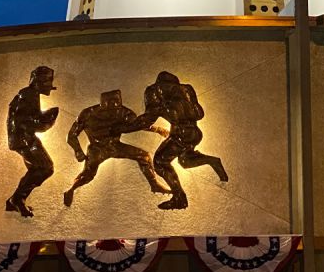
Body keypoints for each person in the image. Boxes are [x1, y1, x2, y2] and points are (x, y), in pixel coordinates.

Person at [134, 71, 228, 210]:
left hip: (180, 133)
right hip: (195, 132)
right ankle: (212, 161)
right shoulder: (186, 91)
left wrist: (130, 125)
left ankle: (180, 198)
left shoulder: (156, 93)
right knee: (185, 161)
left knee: (160, 162)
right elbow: (199, 114)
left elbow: (148, 119)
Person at [63, 90, 172, 207]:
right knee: (88, 174)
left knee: (144, 156)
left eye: (115, 108)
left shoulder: (123, 112)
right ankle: (71, 189)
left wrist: (158, 129)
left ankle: (154, 184)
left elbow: (138, 124)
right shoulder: (88, 114)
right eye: (108, 109)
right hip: (97, 149)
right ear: (102, 104)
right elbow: (71, 135)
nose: (112, 112)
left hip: (115, 146)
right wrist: (78, 150)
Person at [5, 66, 60, 217]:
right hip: (24, 139)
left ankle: (15, 201)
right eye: (48, 82)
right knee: (46, 168)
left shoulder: (29, 94)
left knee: (37, 169)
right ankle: (17, 199)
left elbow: (29, 118)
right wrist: (48, 120)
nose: (50, 86)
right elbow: (24, 121)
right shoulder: (28, 94)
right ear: (40, 81)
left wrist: (45, 118)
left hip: (23, 138)